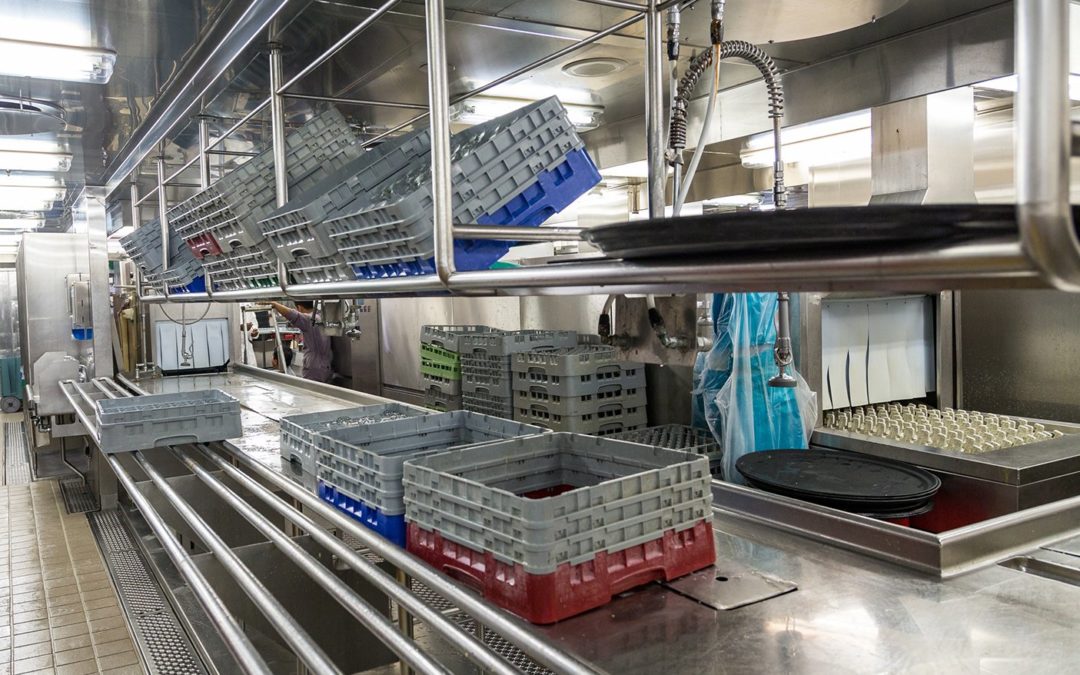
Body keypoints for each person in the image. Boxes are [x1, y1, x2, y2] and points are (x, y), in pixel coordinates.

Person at [267, 300, 334, 383]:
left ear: (299, 307)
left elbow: (293, 315)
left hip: (314, 368)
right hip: (325, 365)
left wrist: (275, 304)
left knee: (311, 393)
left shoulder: (310, 319)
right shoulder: (320, 317)